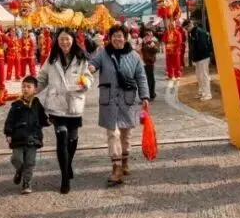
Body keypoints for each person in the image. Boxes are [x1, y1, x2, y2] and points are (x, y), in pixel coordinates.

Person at [88, 25, 150, 186]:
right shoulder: (103, 53)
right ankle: (116, 167)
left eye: (120, 35)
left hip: (127, 100)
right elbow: (93, 64)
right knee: (113, 133)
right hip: (108, 100)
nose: (117, 38)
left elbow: (141, 77)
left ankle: (125, 161)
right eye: (114, 35)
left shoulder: (134, 56)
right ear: (110, 38)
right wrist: (91, 68)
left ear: (125, 37)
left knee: (126, 135)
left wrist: (144, 96)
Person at [35, 28, 92, 194]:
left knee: (72, 140)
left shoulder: (80, 58)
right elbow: (42, 78)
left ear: (72, 40)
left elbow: (88, 76)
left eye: (67, 39)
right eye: (61, 39)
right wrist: (32, 90)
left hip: (74, 104)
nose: (64, 42)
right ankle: (65, 177)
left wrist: (86, 83)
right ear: (57, 41)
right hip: (56, 105)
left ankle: (68, 164)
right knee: (62, 137)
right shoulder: (52, 58)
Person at [3, 75, 49, 194]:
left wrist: (49, 121)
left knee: (30, 162)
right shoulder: (16, 104)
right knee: (16, 159)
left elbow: (43, 118)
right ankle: (20, 171)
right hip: (18, 137)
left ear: (35, 89)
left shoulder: (37, 103)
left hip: (33, 137)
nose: (25, 89)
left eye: (29, 87)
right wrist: (8, 133)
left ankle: (26, 183)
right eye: (23, 86)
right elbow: (10, 120)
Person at [184, 19, 213, 101]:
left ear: (190, 25)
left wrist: (196, 56)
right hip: (198, 58)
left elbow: (202, 46)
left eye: (186, 28)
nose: (186, 30)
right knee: (199, 76)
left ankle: (207, 94)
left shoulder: (199, 32)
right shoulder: (193, 33)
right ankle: (202, 91)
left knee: (204, 75)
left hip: (203, 57)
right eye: (185, 28)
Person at [140, 27, 160, 101]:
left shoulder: (153, 41)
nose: (148, 36)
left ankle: (150, 94)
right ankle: (149, 94)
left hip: (149, 62)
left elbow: (156, 50)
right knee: (145, 79)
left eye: (150, 34)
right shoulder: (142, 42)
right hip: (142, 62)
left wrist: (151, 44)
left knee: (150, 79)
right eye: (146, 34)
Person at [162, 19, 184, 84]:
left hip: (176, 50)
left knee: (177, 63)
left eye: (172, 25)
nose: (171, 26)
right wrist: (168, 44)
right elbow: (164, 41)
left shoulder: (178, 33)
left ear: (174, 26)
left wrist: (174, 47)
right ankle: (170, 75)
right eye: (170, 25)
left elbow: (179, 42)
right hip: (168, 50)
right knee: (169, 64)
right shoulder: (167, 33)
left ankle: (177, 75)